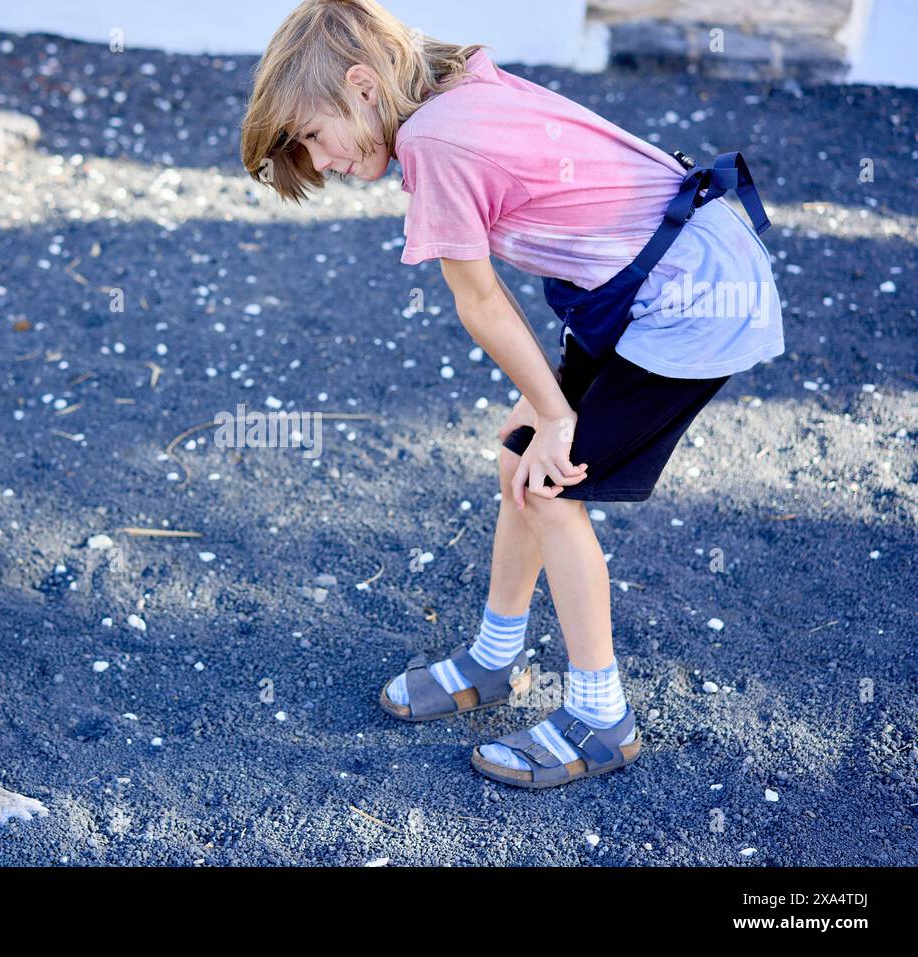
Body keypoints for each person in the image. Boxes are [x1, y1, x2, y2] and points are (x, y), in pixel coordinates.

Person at [241, 0, 783, 788]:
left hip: (693, 298)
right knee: (520, 460)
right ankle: (497, 660)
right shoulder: (453, 87)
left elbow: (481, 301)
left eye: (313, 136)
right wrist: (545, 404)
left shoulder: (432, 139)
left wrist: (559, 411)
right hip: (643, 277)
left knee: (552, 487)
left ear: (362, 86)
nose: (318, 161)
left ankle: (602, 717)